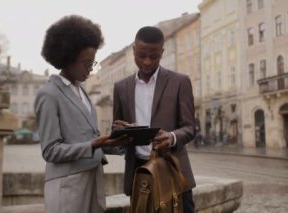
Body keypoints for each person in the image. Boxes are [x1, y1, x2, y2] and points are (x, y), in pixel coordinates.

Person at [35, 15, 130, 213]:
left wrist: (118, 141)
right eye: (87, 63)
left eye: (92, 64)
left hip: (93, 176)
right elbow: (50, 151)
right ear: (68, 58)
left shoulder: (82, 91)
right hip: (67, 184)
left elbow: (89, 139)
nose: (90, 70)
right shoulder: (49, 94)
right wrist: (94, 144)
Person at [112, 26, 196, 212]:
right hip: (139, 172)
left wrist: (172, 137)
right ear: (133, 50)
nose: (147, 62)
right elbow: (117, 134)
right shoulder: (121, 87)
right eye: (141, 55)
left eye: (154, 56)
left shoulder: (180, 82)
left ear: (162, 53)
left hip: (173, 170)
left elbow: (190, 127)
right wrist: (120, 131)